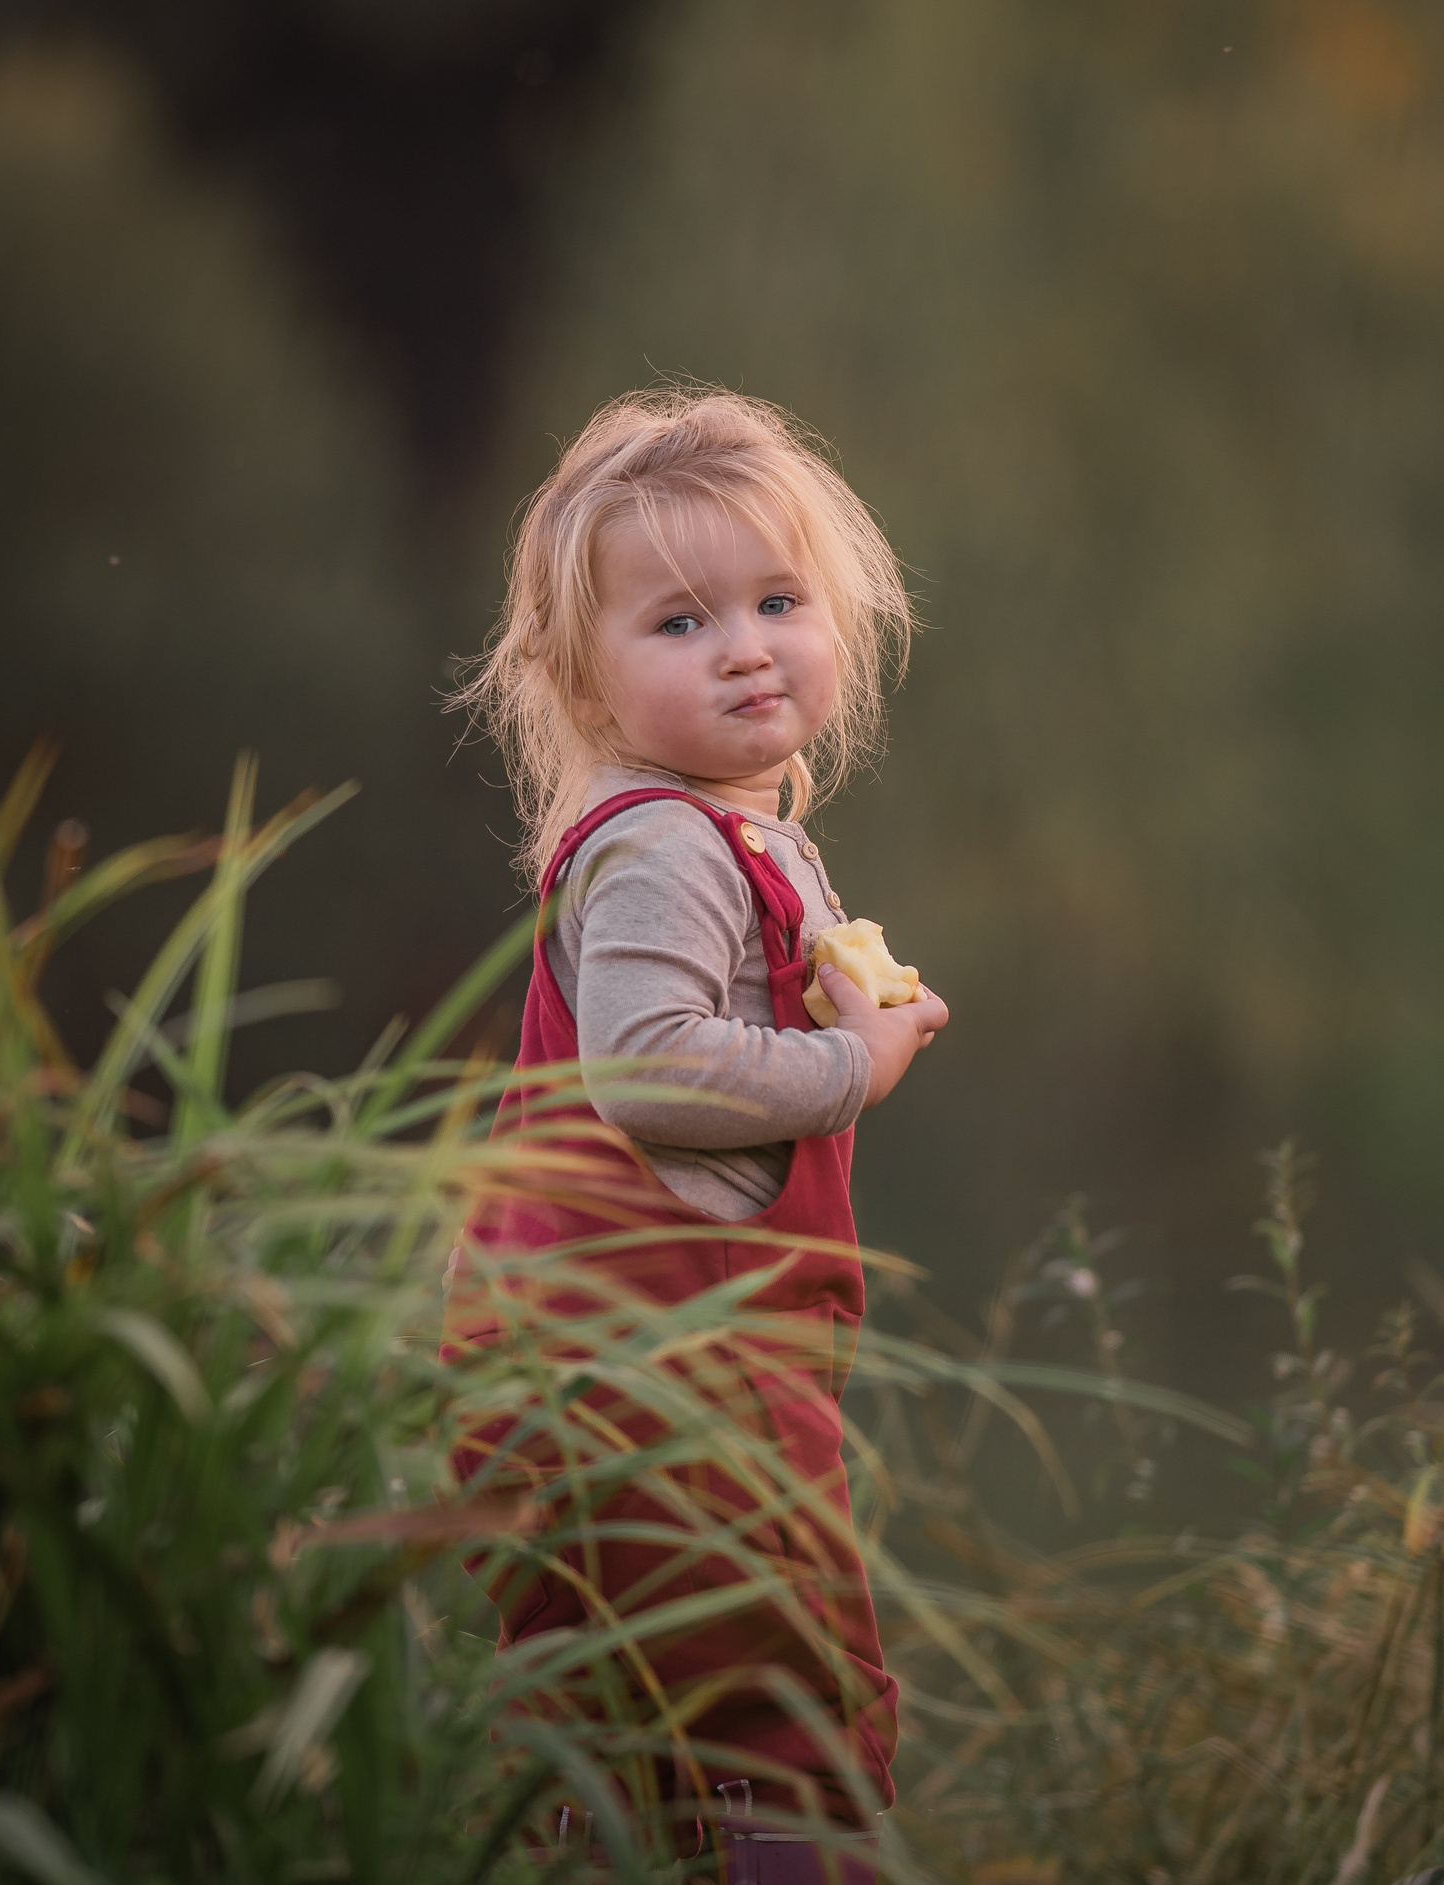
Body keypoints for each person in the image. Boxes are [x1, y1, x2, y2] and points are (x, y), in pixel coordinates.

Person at [443, 386, 949, 1881]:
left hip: (677, 1361)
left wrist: (867, 1027)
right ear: (582, 678)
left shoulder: (729, 826)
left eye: (776, 600)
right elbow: (652, 1071)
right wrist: (849, 1064)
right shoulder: (664, 840)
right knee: (764, 1698)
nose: (742, 643)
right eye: (678, 621)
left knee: (646, 1721)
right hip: (664, 1376)